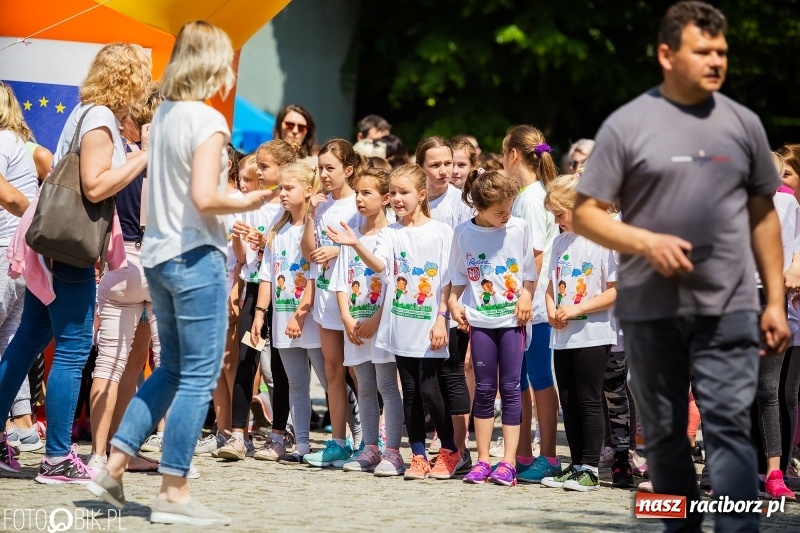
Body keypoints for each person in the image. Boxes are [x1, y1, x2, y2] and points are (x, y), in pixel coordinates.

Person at [572, 2, 790, 530]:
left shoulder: (743, 124)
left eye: (722, 52)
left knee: (728, 429)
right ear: (667, 55)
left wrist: (776, 301)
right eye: (703, 51)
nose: (716, 61)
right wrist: (645, 243)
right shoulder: (628, 125)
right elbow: (585, 214)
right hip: (651, 310)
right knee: (666, 434)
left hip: (730, 304)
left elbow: (765, 217)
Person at [87, 21, 271, 525]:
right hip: (195, 257)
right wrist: (253, 198)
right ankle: (173, 490)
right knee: (197, 375)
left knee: (170, 370)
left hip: (159, 257)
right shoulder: (208, 121)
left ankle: (115, 462)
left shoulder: (163, 115)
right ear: (212, 63)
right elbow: (207, 197)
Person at [0, 43, 151, 484]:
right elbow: (94, 184)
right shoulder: (101, 118)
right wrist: (143, 155)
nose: (145, 84)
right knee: (72, 349)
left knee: (27, 340)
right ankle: (58, 458)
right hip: (69, 249)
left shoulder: (86, 112)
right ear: (128, 77)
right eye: (141, 74)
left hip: (53, 245)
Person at [329, 164, 460, 480]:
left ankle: (450, 450)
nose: (398, 199)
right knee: (412, 393)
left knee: (431, 391)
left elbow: (447, 280)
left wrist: (442, 318)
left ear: (421, 195)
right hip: (400, 327)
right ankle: (416, 456)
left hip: (430, 327)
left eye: (405, 193)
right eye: (396, 194)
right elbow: (380, 266)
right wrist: (356, 244)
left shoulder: (441, 231)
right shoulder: (390, 233)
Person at [87, 83, 163, 471]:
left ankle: (102, 454)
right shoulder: (169, 163)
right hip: (158, 263)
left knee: (112, 365)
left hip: (122, 261)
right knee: (157, 364)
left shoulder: (118, 157)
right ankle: (129, 451)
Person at [448, 168, 535, 487]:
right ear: (479, 208)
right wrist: (454, 304)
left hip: (513, 321)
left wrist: (526, 295)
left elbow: (529, 271)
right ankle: (483, 460)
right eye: (500, 211)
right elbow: (456, 278)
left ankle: (508, 463)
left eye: (509, 208)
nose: (506, 215)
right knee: (484, 390)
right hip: (480, 322)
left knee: (510, 388)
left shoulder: (520, 227)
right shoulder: (463, 233)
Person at [538, 174, 617, 493]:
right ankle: (575, 464)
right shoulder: (559, 240)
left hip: (593, 334)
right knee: (568, 399)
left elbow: (614, 291)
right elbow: (549, 286)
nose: (557, 221)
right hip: (563, 334)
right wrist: (551, 310)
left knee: (588, 399)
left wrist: (574, 309)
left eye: (560, 213)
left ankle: (591, 467)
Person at [327, 167, 406, 476]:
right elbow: (341, 282)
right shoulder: (353, 234)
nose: (359, 198)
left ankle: (393, 451)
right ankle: (369, 447)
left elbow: (394, 282)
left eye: (367, 193)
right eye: (357, 192)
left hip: (380, 324)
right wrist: (346, 317)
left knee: (387, 385)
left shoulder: (392, 235)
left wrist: (376, 319)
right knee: (364, 387)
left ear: (385, 198)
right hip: (356, 326)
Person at [251, 162, 328, 465]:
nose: (282, 193)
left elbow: (315, 272)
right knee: (296, 383)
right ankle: (304, 447)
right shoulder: (278, 229)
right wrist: (260, 314)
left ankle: (357, 440)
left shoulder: (315, 225)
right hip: (282, 318)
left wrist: (302, 312)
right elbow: (267, 276)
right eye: (280, 188)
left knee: (328, 377)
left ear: (309, 191)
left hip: (310, 317)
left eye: (288, 188)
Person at [501, 125, 561, 483]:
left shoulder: (531, 198)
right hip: (525, 304)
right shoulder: (528, 194)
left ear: (512, 155)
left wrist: (525, 295)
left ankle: (549, 455)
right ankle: (523, 452)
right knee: (519, 379)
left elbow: (536, 255)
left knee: (539, 378)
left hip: (535, 306)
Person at [300, 139, 363, 468]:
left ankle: (369, 437)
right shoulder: (322, 205)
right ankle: (338, 441)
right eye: (319, 168)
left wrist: (339, 251)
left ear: (348, 170)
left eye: (330, 168)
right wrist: (311, 213)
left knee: (358, 370)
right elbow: (308, 251)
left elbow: (370, 242)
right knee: (332, 370)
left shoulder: (358, 203)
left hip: (351, 298)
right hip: (325, 296)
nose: (323, 174)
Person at [416, 137, 472, 467]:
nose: (444, 171)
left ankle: (457, 452)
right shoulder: (416, 200)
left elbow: (463, 261)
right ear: (420, 167)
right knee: (422, 381)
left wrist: (452, 304)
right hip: (418, 304)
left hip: (452, 302)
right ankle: (438, 446)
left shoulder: (461, 205)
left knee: (450, 375)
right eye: (435, 165)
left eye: (448, 163)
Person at [0, 81, 40, 465]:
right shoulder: (16, 142)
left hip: (4, 251)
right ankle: (23, 423)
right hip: (20, 254)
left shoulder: (1, 141)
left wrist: (32, 215)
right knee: (10, 341)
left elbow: (8, 196)